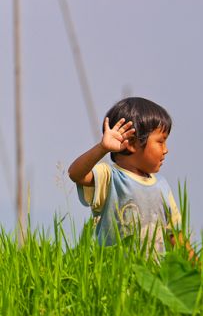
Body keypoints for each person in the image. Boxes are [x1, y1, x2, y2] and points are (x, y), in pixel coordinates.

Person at [68, 97, 182, 259]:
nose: (166, 150)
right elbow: (76, 174)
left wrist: (201, 270)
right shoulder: (110, 177)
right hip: (113, 275)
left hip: (151, 277)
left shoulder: (162, 186)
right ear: (131, 143)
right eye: (160, 142)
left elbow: (175, 236)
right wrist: (102, 149)